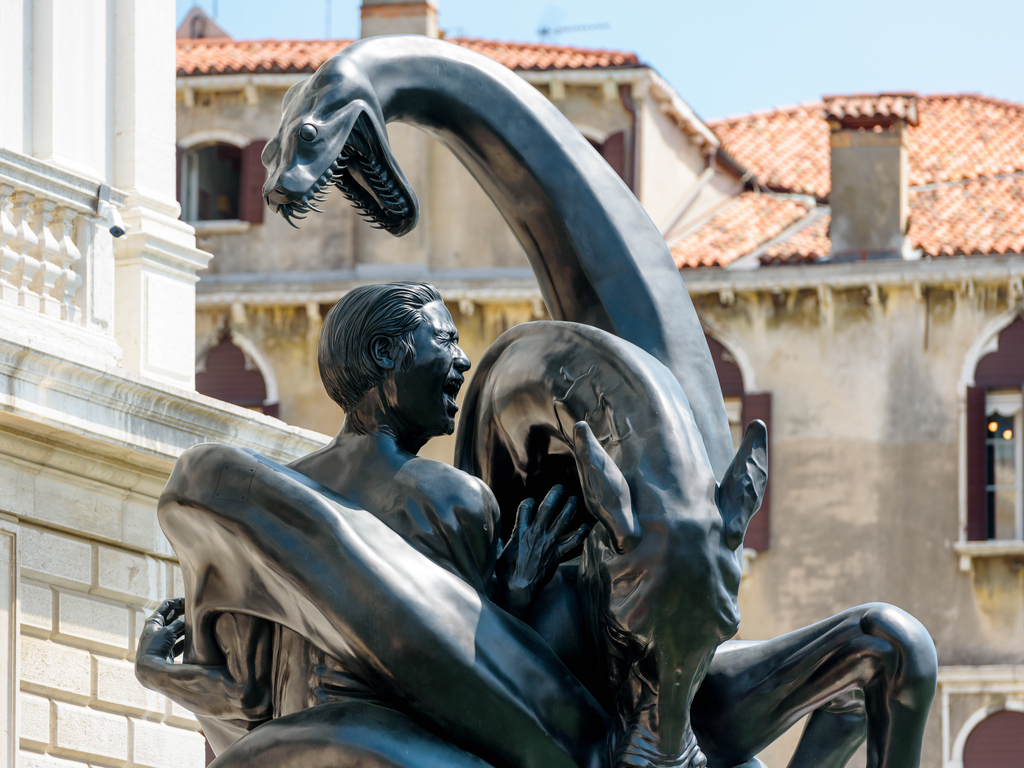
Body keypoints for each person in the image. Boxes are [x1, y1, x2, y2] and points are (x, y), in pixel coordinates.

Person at [137, 283, 604, 768]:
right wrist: (519, 593)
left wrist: (155, 671)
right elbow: (464, 683)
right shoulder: (452, 498)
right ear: (385, 353)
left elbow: (246, 699)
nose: (463, 361)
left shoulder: (273, 506)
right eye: (445, 341)